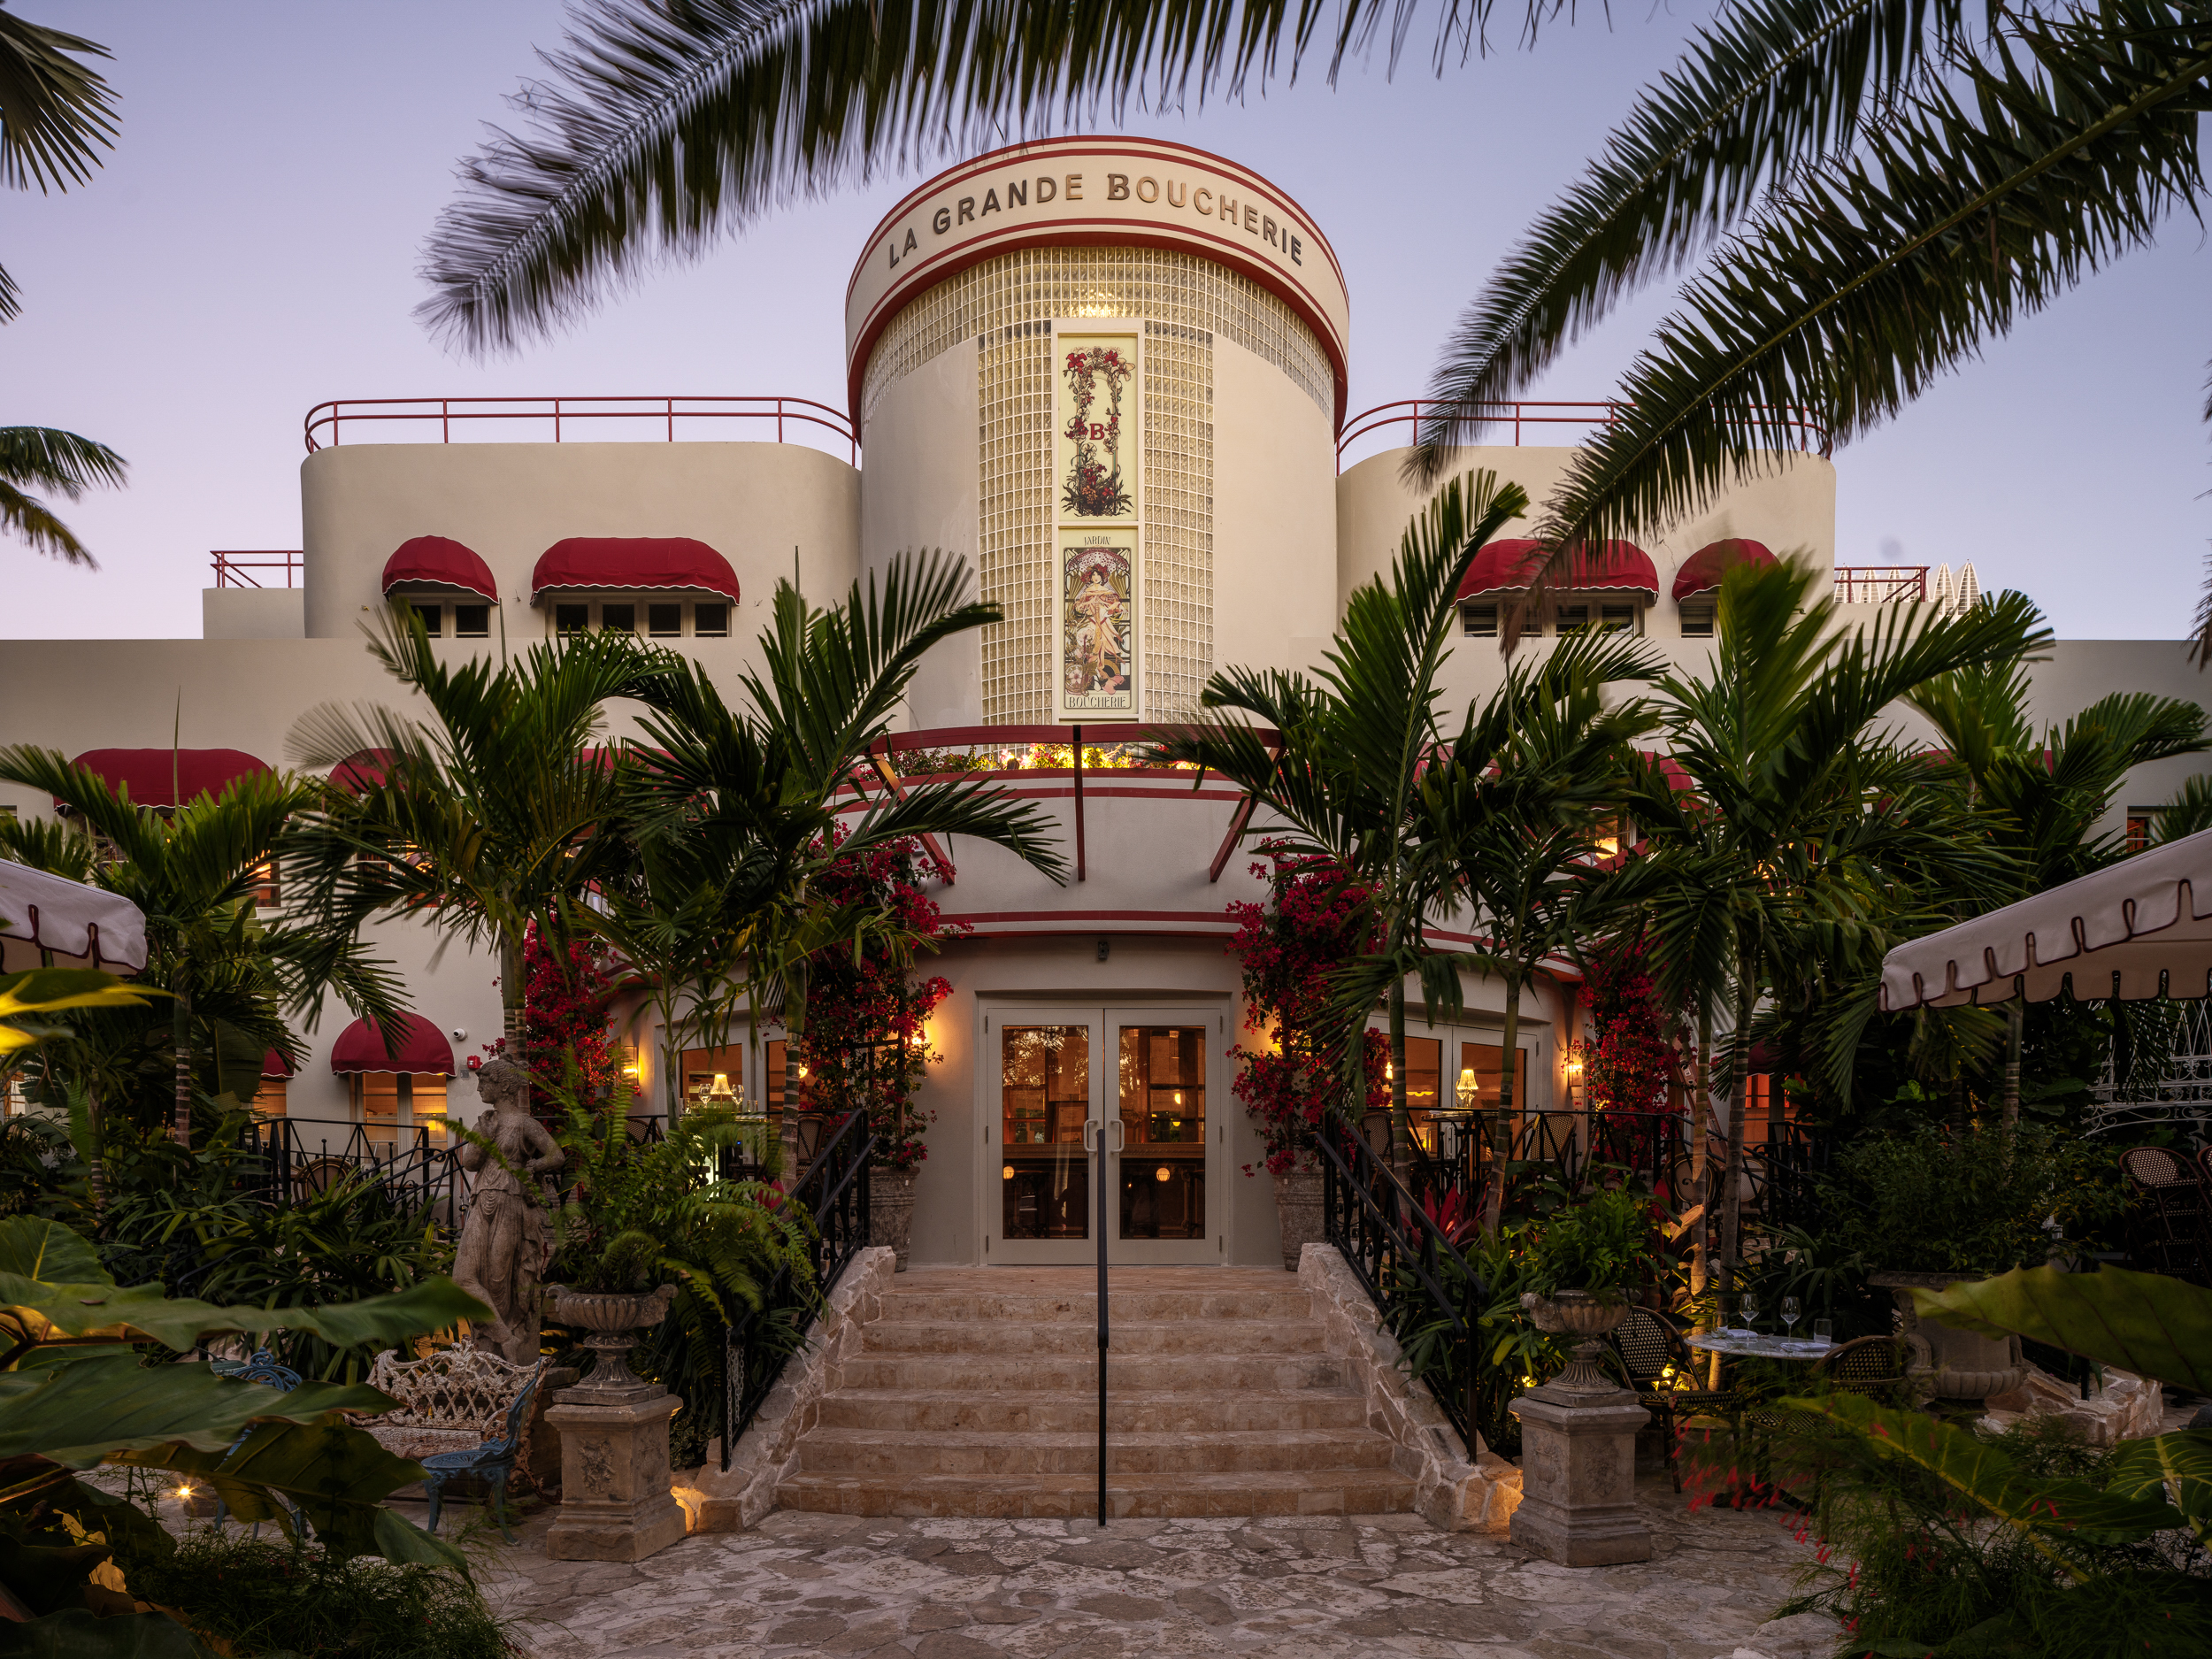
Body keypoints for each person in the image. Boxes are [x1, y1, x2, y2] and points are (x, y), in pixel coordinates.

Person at [452, 1057, 565, 1362]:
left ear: (502, 1085)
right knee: (463, 1277)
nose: (479, 1088)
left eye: (484, 1082)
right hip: (482, 1198)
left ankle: (500, 1354)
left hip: (511, 1201)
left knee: (499, 1281)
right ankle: (504, 1339)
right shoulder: (485, 1122)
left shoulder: (525, 1123)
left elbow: (557, 1155)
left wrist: (534, 1166)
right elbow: (470, 1162)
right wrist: (485, 1137)